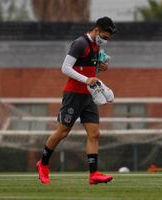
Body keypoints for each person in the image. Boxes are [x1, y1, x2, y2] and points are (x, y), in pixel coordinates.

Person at [36, 16, 116, 185]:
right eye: (104, 36)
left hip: (90, 95)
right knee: (62, 132)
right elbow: (65, 68)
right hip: (73, 95)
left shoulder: (96, 46)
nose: (105, 40)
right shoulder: (80, 43)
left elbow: (87, 68)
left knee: (94, 134)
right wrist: (86, 79)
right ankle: (43, 164)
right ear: (96, 30)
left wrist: (99, 68)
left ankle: (93, 174)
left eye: (108, 38)